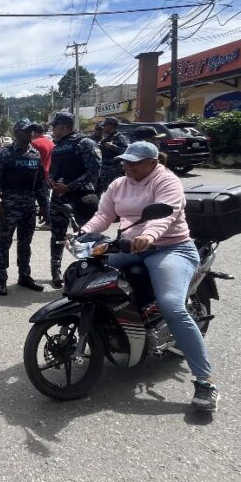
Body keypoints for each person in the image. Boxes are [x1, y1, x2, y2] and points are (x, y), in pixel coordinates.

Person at [80, 141, 220, 411]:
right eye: (125, 161)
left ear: (153, 163)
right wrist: (82, 233)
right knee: (92, 278)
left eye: (134, 162)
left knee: (171, 306)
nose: (127, 165)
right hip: (128, 246)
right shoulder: (119, 184)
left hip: (170, 248)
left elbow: (164, 216)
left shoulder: (167, 181)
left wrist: (148, 236)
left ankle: (205, 381)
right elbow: (104, 215)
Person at [0, 119, 48, 295]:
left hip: (29, 206)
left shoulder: (35, 154)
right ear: (16, 133)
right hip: (9, 206)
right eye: (26, 130)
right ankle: (1, 278)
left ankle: (24, 276)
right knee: (5, 243)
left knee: (25, 243)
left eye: (32, 130)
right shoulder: (5, 154)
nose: (30, 133)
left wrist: (44, 205)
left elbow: (39, 183)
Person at [47, 112, 101, 289]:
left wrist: (69, 187)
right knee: (57, 234)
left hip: (81, 197)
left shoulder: (85, 143)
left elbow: (93, 171)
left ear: (62, 126)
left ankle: (90, 273)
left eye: (54, 126)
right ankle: (55, 271)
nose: (53, 129)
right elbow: (55, 169)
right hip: (59, 197)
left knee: (86, 236)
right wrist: (51, 179)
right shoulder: (58, 146)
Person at [96, 117, 129, 194]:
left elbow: (126, 152)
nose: (103, 128)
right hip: (104, 169)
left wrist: (113, 147)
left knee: (114, 192)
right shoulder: (107, 138)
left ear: (111, 126)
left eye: (105, 126)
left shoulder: (120, 137)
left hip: (114, 170)